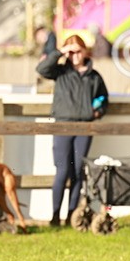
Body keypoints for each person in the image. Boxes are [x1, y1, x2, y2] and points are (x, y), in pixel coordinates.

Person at [36, 34, 110, 226]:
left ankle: (71, 215)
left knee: (77, 171)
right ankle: (54, 216)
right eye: (71, 52)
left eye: (78, 51)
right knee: (62, 171)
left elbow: (104, 98)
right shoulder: (61, 72)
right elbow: (42, 69)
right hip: (63, 125)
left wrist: (96, 112)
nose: (75, 55)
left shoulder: (94, 76)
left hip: (84, 127)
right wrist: (59, 52)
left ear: (85, 51)